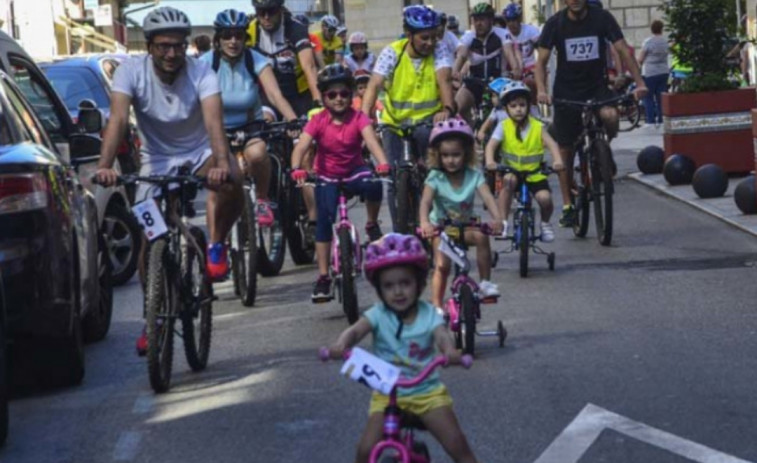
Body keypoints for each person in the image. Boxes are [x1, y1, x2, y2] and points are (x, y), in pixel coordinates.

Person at [94, 6, 243, 352]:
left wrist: (221, 162)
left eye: (177, 45)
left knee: (234, 180)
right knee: (152, 235)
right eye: (163, 46)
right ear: (148, 46)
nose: (171, 53)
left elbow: (214, 124)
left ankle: (216, 243)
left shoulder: (202, 71)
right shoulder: (129, 72)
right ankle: (154, 317)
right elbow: (116, 121)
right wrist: (105, 166)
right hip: (155, 159)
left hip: (200, 152)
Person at [325, 232, 479, 463]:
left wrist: (449, 352)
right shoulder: (378, 314)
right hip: (387, 394)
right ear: (379, 289)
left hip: (426, 393)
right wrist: (341, 344)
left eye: (405, 283)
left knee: (457, 445)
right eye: (389, 285)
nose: (397, 291)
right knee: (365, 450)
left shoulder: (427, 314)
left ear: (418, 284)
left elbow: (441, 335)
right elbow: (356, 331)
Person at [534, 0, 647, 228]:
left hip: (596, 88)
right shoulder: (555, 24)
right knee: (564, 150)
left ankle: (604, 150)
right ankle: (567, 206)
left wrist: (640, 83)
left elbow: (623, 49)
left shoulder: (602, 18)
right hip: (567, 91)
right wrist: (542, 90)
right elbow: (541, 62)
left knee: (611, 116)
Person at [290, 65, 391, 302]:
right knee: (324, 222)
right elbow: (302, 146)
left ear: (352, 95)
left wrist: (383, 162)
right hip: (327, 176)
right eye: (331, 95)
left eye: (344, 94)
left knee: (374, 185)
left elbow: (372, 142)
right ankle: (324, 277)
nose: (338, 99)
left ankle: (371, 224)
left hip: (354, 172)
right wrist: (297, 169)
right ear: (323, 97)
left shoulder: (359, 118)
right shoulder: (318, 121)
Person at [362, 5, 456, 230]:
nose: (430, 43)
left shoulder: (440, 50)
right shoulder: (392, 52)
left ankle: (437, 219)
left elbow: (444, 81)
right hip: (394, 122)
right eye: (424, 38)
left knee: (434, 171)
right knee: (394, 177)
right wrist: (363, 120)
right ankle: (399, 231)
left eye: (433, 37)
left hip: (426, 122)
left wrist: (447, 109)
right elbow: (373, 85)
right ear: (409, 34)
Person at [202, 9, 298, 227]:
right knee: (218, 175)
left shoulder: (255, 60)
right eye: (227, 35)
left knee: (257, 154)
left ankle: (263, 200)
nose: (233, 41)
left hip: (250, 126)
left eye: (239, 35)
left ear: (246, 38)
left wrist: (293, 120)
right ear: (218, 39)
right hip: (217, 130)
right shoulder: (206, 63)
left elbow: (274, 95)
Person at [419, 118, 502, 307]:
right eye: (445, 155)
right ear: (438, 155)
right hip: (441, 229)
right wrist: (425, 223)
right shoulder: (435, 177)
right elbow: (425, 202)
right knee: (442, 266)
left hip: (466, 226)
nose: (451, 160)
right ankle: (437, 305)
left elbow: (488, 197)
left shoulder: (474, 175)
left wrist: (498, 219)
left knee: (482, 237)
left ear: (466, 154)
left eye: (456, 154)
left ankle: (485, 283)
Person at [484, 81, 563, 242]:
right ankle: (504, 223)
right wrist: (490, 161)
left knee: (545, 199)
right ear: (506, 108)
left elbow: (552, 144)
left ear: (528, 106)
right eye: (513, 106)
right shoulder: (503, 126)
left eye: (522, 105)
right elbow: (491, 146)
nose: (518, 109)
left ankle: (546, 224)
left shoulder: (537, 126)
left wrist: (558, 161)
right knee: (508, 183)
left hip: (535, 174)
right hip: (512, 171)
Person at [247, 0, 321, 116]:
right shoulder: (250, 31)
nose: (266, 17)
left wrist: (318, 101)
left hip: (298, 93)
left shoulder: (295, 28)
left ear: (280, 10)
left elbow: (309, 67)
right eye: (261, 12)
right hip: (268, 93)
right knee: (267, 122)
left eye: (271, 11)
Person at [452, 3, 520, 126]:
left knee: (505, 112)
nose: (479, 23)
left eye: (482, 19)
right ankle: (469, 132)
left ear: (491, 20)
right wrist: (455, 72)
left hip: (498, 82)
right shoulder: (468, 37)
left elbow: (509, 53)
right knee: (456, 106)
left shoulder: (502, 34)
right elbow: (461, 55)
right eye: (476, 20)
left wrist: (515, 69)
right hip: (474, 82)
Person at [502, 3, 540, 93]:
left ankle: (533, 105)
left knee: (530, 82)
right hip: (511, 68)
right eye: (509, 21)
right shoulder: (503, 33)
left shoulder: (531, 30)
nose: (511, 24)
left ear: (520, 19)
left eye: (514, 20)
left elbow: (541, 49)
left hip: (529, 66)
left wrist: (540, 66)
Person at [638, 20, 669, 127]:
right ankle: (661, 120)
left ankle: (650, 121)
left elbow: (640, 58)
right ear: (661, 29)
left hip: (650, 73)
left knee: (648, 97)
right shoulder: (665, 42)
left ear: (652, 29)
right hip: (664, 72)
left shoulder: (649, 42)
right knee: (661, 97)